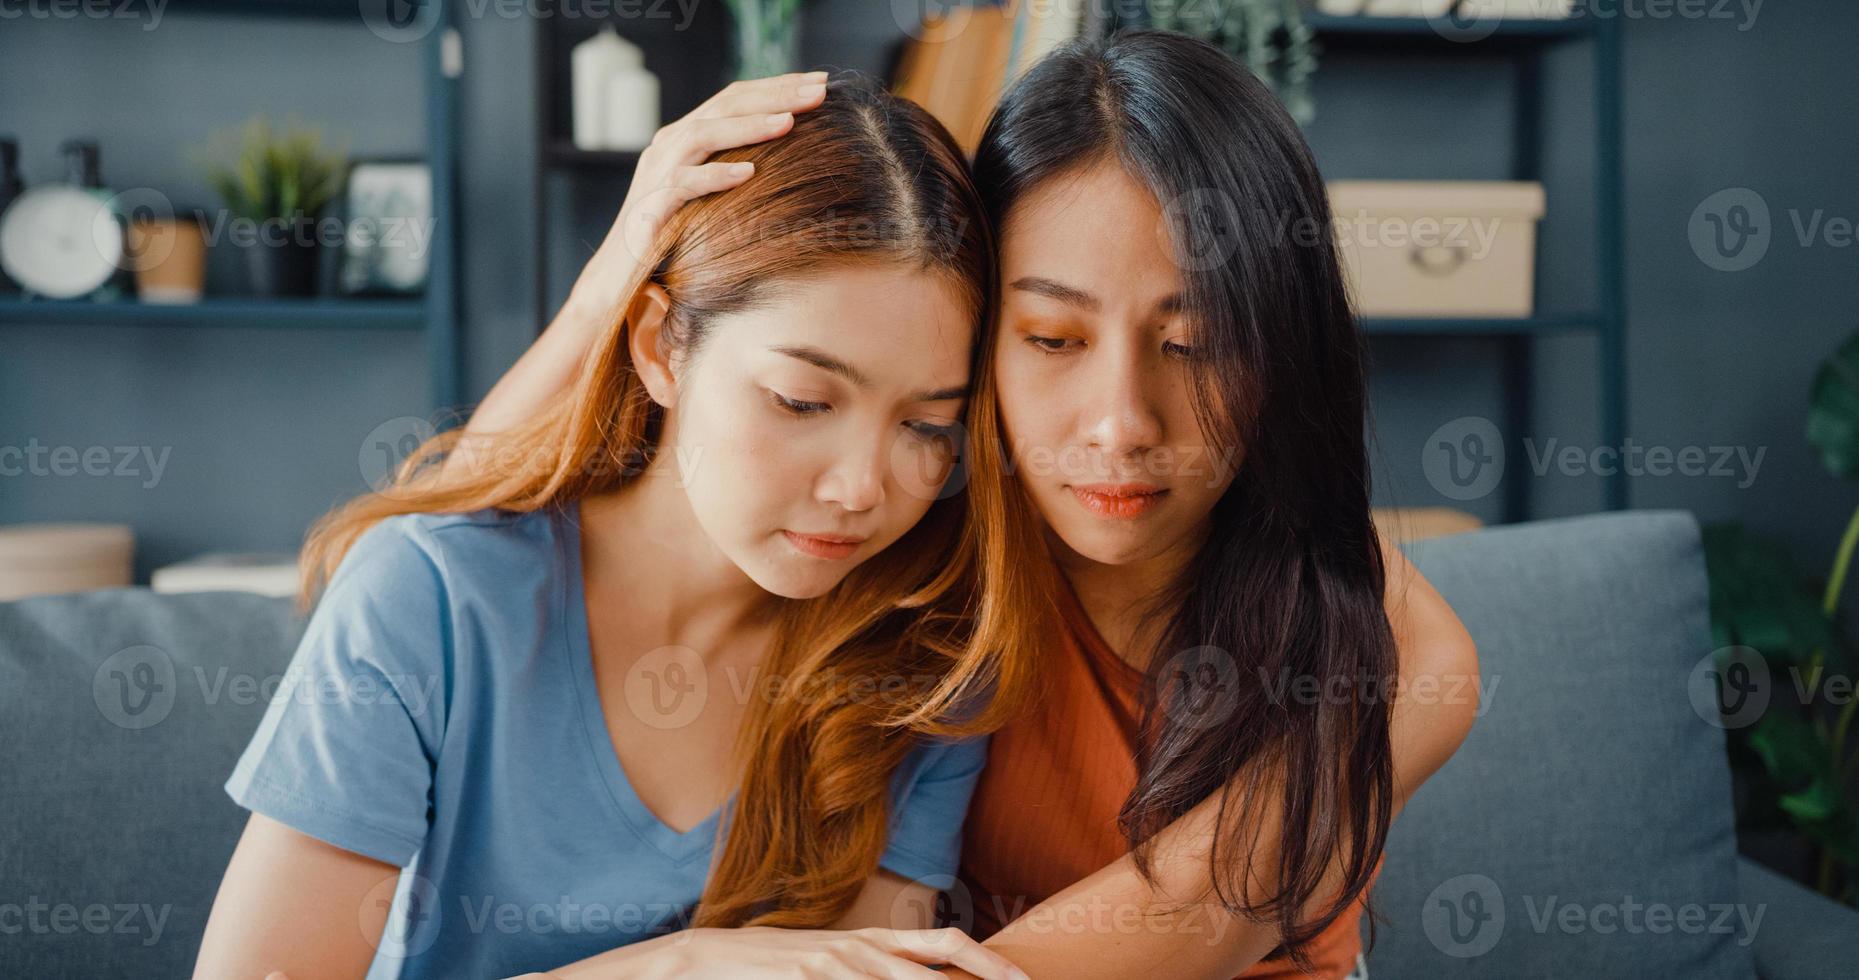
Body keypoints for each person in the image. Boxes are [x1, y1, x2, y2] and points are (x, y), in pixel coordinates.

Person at [410, 30, 1482, 980]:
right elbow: (446, 539)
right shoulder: (900, 553)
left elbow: (1192, 912)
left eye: (1194, 345)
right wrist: (620, 269)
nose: (1118, 423)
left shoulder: (1375, 636)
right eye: (1051, 340)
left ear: (1282, 352)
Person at [193, 73, 1043, 980]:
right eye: (801, 400)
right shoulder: (431, 599)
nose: (860, 488)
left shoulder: (928, 662)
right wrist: (668, 966)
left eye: (925, 425)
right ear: (658, 345)